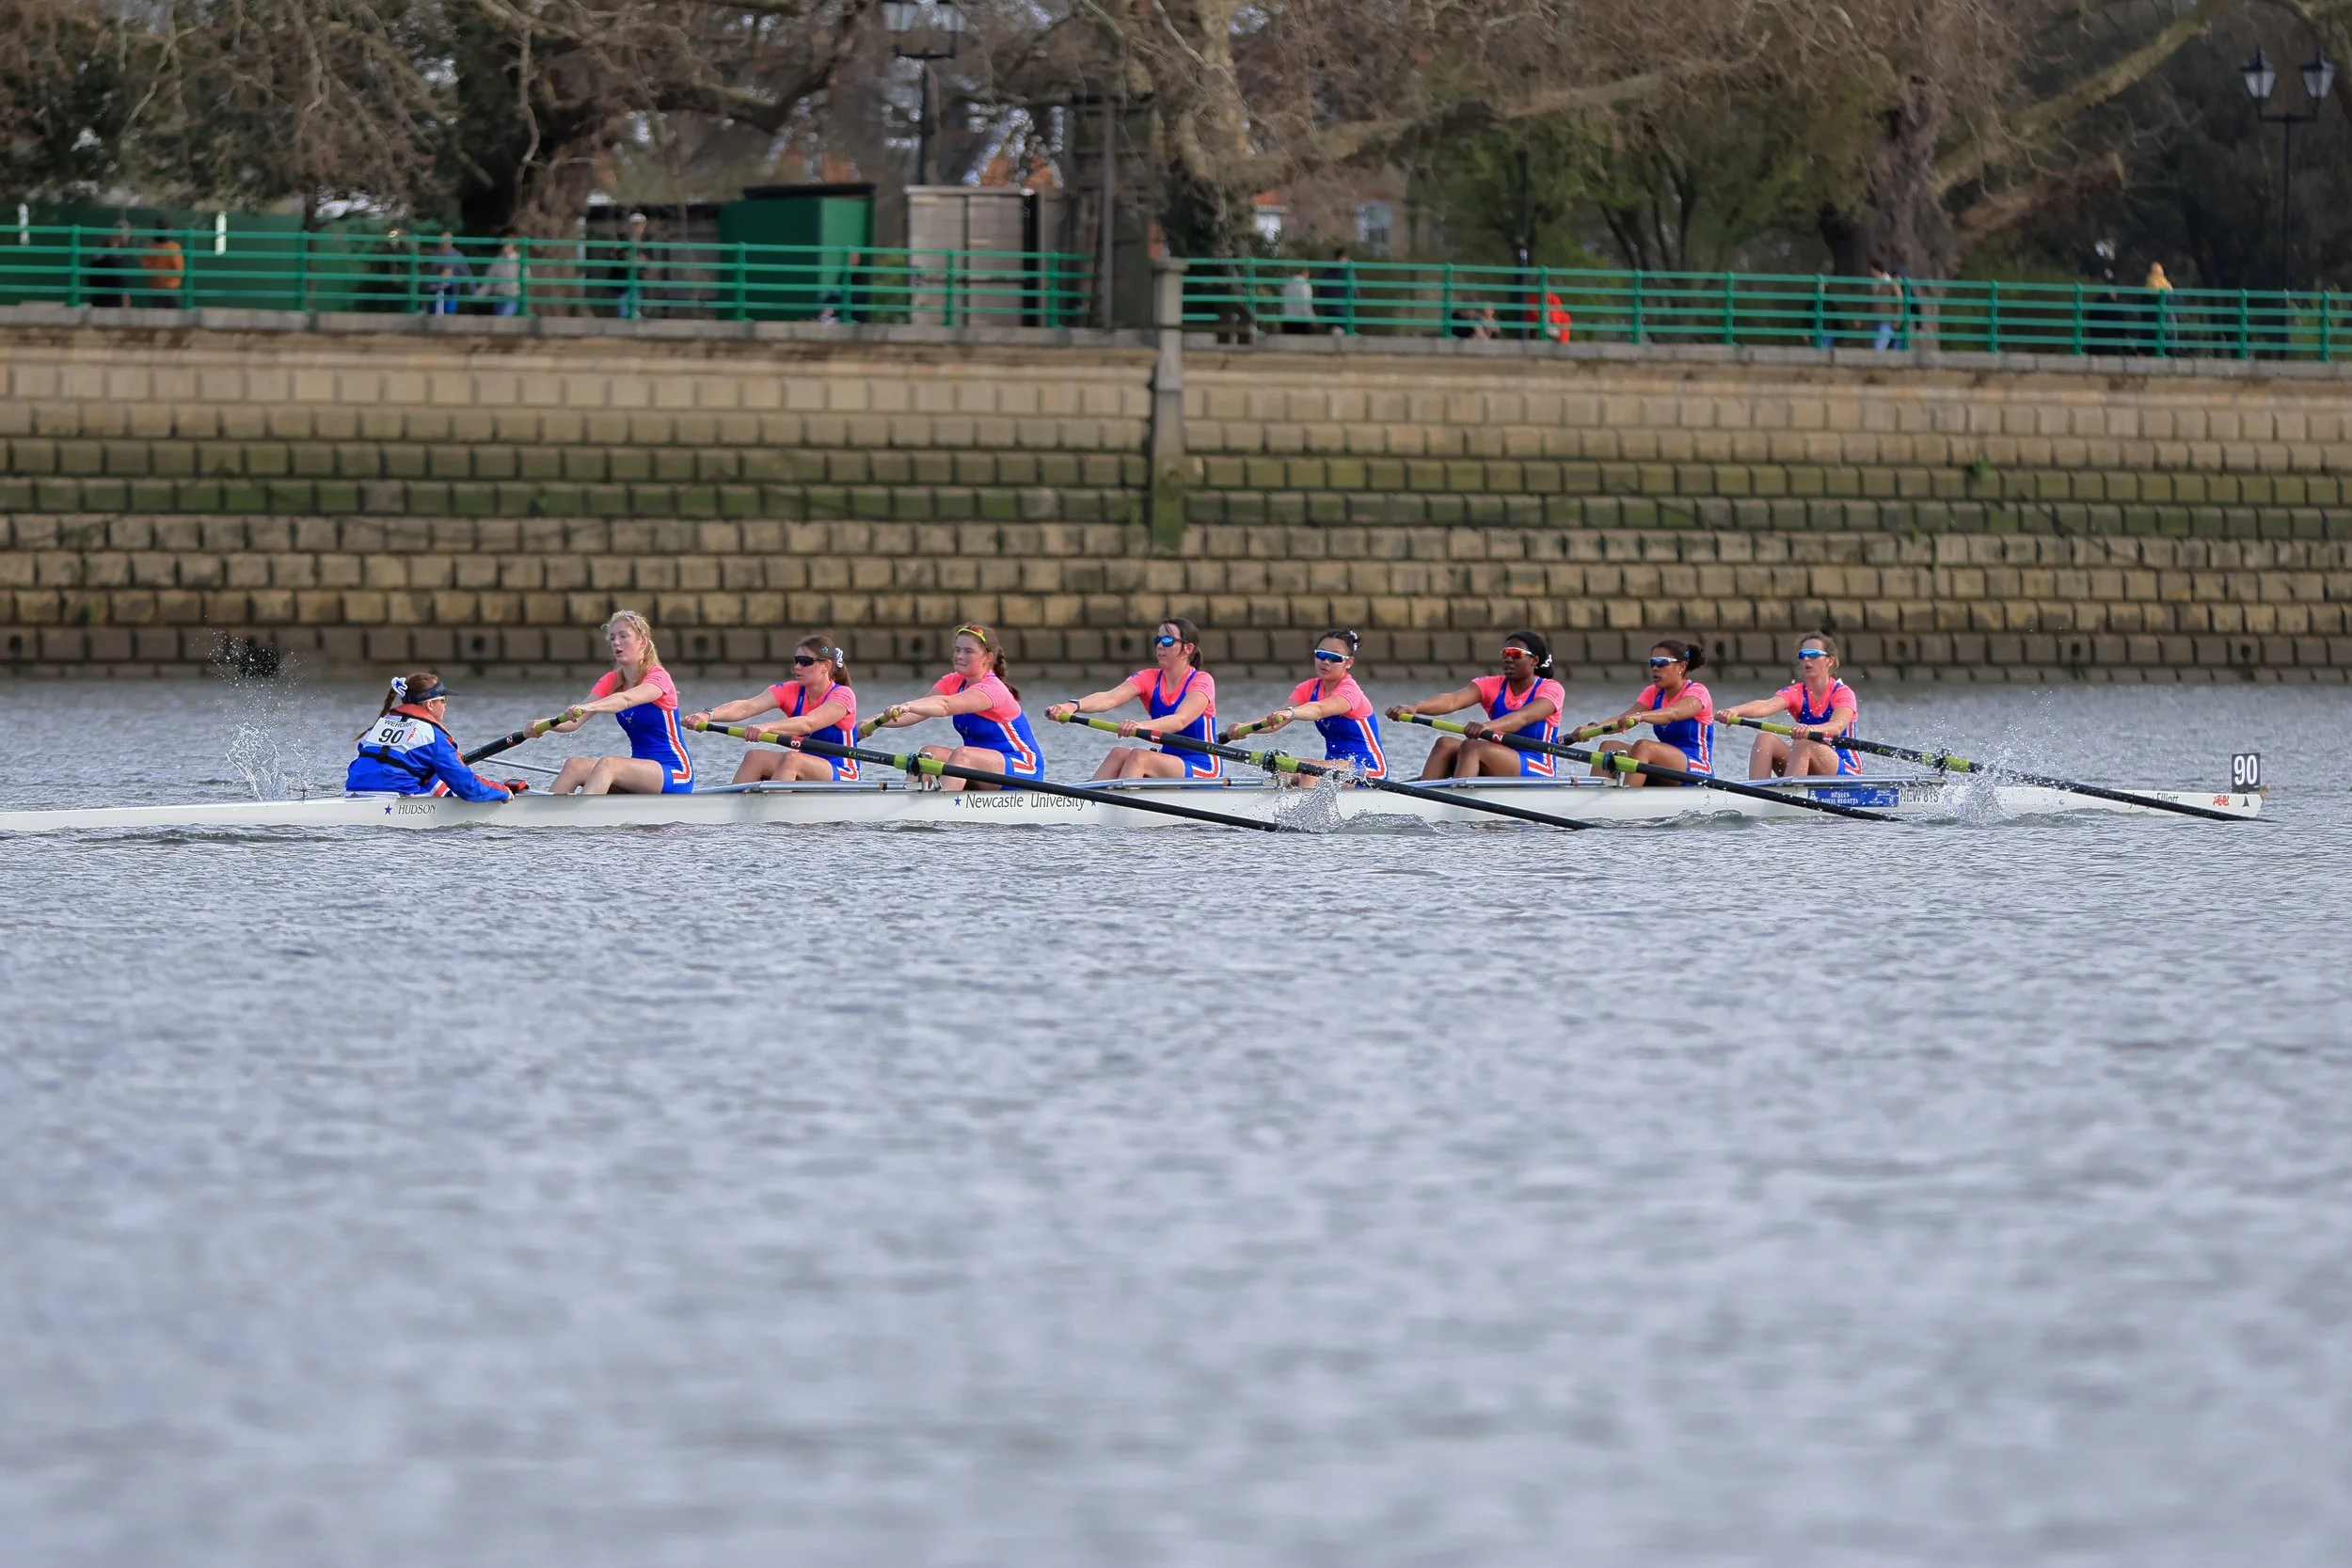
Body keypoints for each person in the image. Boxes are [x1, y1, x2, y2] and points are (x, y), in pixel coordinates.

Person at [868, 624, 1042, 789]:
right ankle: (907, 800)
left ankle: (939, 804)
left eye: (968, 651)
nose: (959, 656)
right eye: (957, 650)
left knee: (962, 755)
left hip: (1022, 768)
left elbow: (945, 705)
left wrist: (907, 705)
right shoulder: (953, 681)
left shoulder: (993, 688)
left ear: (987, 658)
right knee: (928, 755)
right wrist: (869, 723)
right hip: (984, 768)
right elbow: (915, 713)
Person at [1045, 618, 1219, 781]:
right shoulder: (1149, 678)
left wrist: (1141, 726)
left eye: (1167, 641)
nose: (1160, 646)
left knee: (1139, 757)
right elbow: (1109, 698)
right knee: (1118, 754)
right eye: (1157, 640)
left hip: (1202, 766)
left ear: (1188, 648)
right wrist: (1073, 706)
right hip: (1166, 760)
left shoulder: (1202, 680)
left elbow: (1180, 720)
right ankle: (1087, 800)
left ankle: (1118, 801)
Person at [547, 610, 695, 794]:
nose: (616, 642)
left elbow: (626, 699)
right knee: (574, 765)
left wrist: (588, 707)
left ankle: (584, 810)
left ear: (642, 643)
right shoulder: (612, 681)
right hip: (639, 774)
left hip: (675, 773)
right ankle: (544, 811)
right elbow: (573, 723)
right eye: (613, 638)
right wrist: (543, 725)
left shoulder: (659, 677)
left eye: (623, 636)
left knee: (609, 764)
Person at [1386, 631, 1566, 779]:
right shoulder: (1493, 685)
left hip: (1537, 765)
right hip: (1498, 757)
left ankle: (1457, 803)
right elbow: (1453, 700)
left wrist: (1487, 727)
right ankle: (1424, 802)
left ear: (1534, 661)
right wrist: (1414, 707)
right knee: (1445, 744)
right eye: (1505, 654)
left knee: (1472, 746)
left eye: (1516, 654)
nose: (1508, 659)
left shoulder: (1551, 688)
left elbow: (1523, 717)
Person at [685, 634, 860, 784]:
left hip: (843, 771)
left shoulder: (843, 695)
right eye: (796, 661)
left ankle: (775, 810)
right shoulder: (791, 690)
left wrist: (766, 727)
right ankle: (729, 808)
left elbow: (809, 723)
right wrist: (707, 715)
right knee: (754, 757)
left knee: (791, 759)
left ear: (826, 666)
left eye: (805, 662)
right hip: (807, 765)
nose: (797, 667)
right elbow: (747, 707)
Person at [1225, 627, 1386, 781]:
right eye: (1321, 654)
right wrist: (1243, 726)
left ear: (1349, 663)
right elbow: (1275, 721)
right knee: (1283, 771)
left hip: (1368, 769)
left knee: (1310, 774)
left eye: (1335, 658)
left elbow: (1319, 709)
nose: (1325, 661)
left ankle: (1304, 800)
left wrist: (1291, 713)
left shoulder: (1350, 691)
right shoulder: (1308, 688)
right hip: (1333, 766)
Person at [345, 673, 519, 800]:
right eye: (443, 700)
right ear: (430, 704)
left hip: (353, 791)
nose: (445, 705)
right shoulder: (433, 736)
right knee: (441, 778)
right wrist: (501, 791)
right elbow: (466, 786)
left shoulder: (379, 725)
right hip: (394, 797)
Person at [1715, 633, 1861, 779]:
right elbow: (1766, 705)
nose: (1806, 659)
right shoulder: (1797, 692)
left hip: (1844, 768)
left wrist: (1810, 729)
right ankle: (1758, 791)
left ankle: (1792, 790)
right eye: (1803, 655)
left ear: (1830, 661)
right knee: (1764, 740)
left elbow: (1837, 726)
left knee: (1803, 742)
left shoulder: (1842, 693)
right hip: (1807, 759)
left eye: (1813, 654)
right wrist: (1734, 711)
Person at [1573, 639, 1713, 785]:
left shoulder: (1698, 692)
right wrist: (1591, 729)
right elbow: (1622, 718)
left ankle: (1628, 794)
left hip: (1697, 768)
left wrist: (1640, 716)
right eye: (1652, 663)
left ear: (1682, 667)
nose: (1655, 668)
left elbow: (1673, 713)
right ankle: (1595, 793)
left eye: (1662, 663)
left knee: (1643, 747)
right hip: (1666, 765)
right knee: (1609, 747)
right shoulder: (1654, 692)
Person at [425, 234, 470, 315]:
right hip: (435, 300)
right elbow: (430, 275)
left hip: (450, 300)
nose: (443, 244)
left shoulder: (457, 256)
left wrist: (473, 292)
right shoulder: (435, 256)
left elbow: (466, 275)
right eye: (442, 242)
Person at [142, 230, 184, 309]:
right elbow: (179, 270)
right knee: (173, 314)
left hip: (156, 289)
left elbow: (146, 269)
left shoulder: (150, 249)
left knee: (157, 314)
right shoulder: (174, 248)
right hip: (171, 288)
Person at [482, 241, 522, 317]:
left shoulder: (519, 259)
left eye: (508, 244)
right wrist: (480, 295)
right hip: (499, 294)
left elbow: (526, 276)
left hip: (512, 295)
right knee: (499, 317)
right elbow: (489, 278)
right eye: (504, 244)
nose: (505, 247)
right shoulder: (498, 260)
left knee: (504, 317)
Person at [1868, 259, 1899, 351]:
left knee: (1879, 347)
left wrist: (1897, 319)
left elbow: (1899, 300)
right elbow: (1868, 301)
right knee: (1874, 346)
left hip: (1886, 319)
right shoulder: (1872, 283)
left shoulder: (1890, 283)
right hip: (1874, 319)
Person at [1280, 268, 1316, 335]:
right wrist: (1312, 319)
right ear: (1306, 273)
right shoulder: (1305, 285)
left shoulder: (1286, 284)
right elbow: (1306, 305)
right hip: (1301, 322)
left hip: (1287, 321)